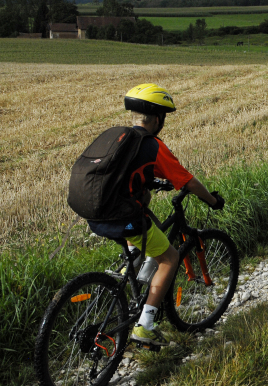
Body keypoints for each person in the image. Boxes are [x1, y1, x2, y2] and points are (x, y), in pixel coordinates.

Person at [87, 83, 225, 346]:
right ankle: (145, 325)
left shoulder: (119, 137)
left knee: (143, 233)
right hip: (123, 217)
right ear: (158, 118)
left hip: (96, 213)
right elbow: (188, 181)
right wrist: (212, 200)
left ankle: (130, 282)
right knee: (170, 257)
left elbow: (124, 174)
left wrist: (149, 181)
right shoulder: (152, 145)